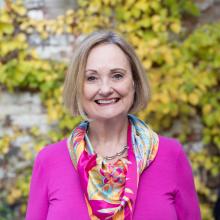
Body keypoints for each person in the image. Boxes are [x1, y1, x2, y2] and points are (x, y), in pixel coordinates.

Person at [26, 31, 201, 220]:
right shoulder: (49, 161)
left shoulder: (170, 155)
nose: (106, 89)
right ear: (78, 87)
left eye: (117, 76)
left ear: (134, 82)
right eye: (91, 78)